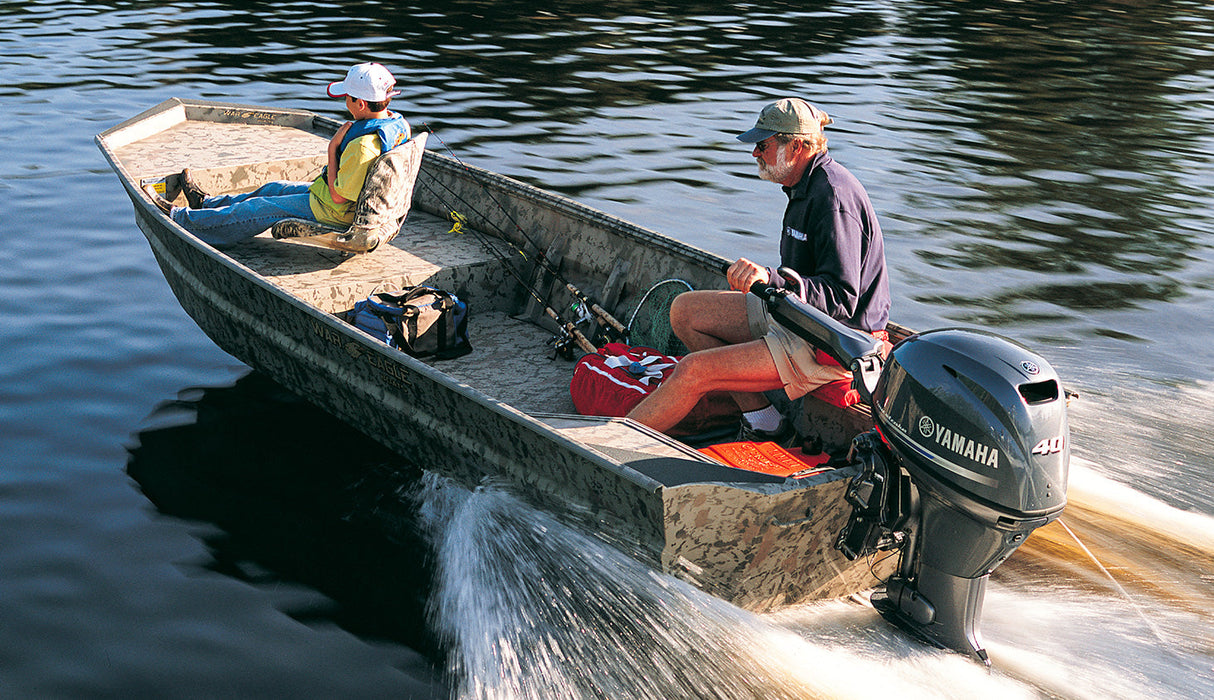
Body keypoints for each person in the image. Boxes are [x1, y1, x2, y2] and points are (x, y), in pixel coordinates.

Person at [626, 97, 890, 443]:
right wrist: (777, 285)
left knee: (693, 371)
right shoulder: (802, 184)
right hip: (795, 315)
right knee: (685, 312)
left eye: (762, 145)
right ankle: (764, 420)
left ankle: (604, 446)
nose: (755, 154)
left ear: (796, 146)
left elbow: (843, 300)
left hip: (831, 340)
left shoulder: (834, 198)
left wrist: (772, 278)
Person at [144, 62, 412, 247]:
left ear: (361, 103)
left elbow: (338, 195)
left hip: (334, 210)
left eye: (347, 98)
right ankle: (207, 204)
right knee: (272, 187)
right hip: (336, 200)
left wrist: (332, 149)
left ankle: (186, 221)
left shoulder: (363, 146)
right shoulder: (396, 124)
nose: (345, 102)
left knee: (258, 209)